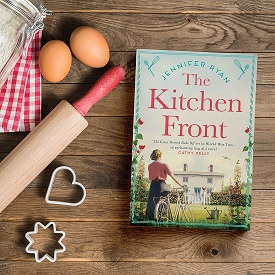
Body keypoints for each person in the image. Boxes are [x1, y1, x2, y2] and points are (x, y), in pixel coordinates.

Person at [146, 149, 183, 220]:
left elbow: (150, 176)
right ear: (160, 156)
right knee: (164, 202)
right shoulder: (164, 165)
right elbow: (172, 176)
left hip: (153, 185)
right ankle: (164, 218)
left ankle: (150, 218)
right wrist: (180, 185)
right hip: (161, 185)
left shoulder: (150, 166)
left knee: (151, 202)